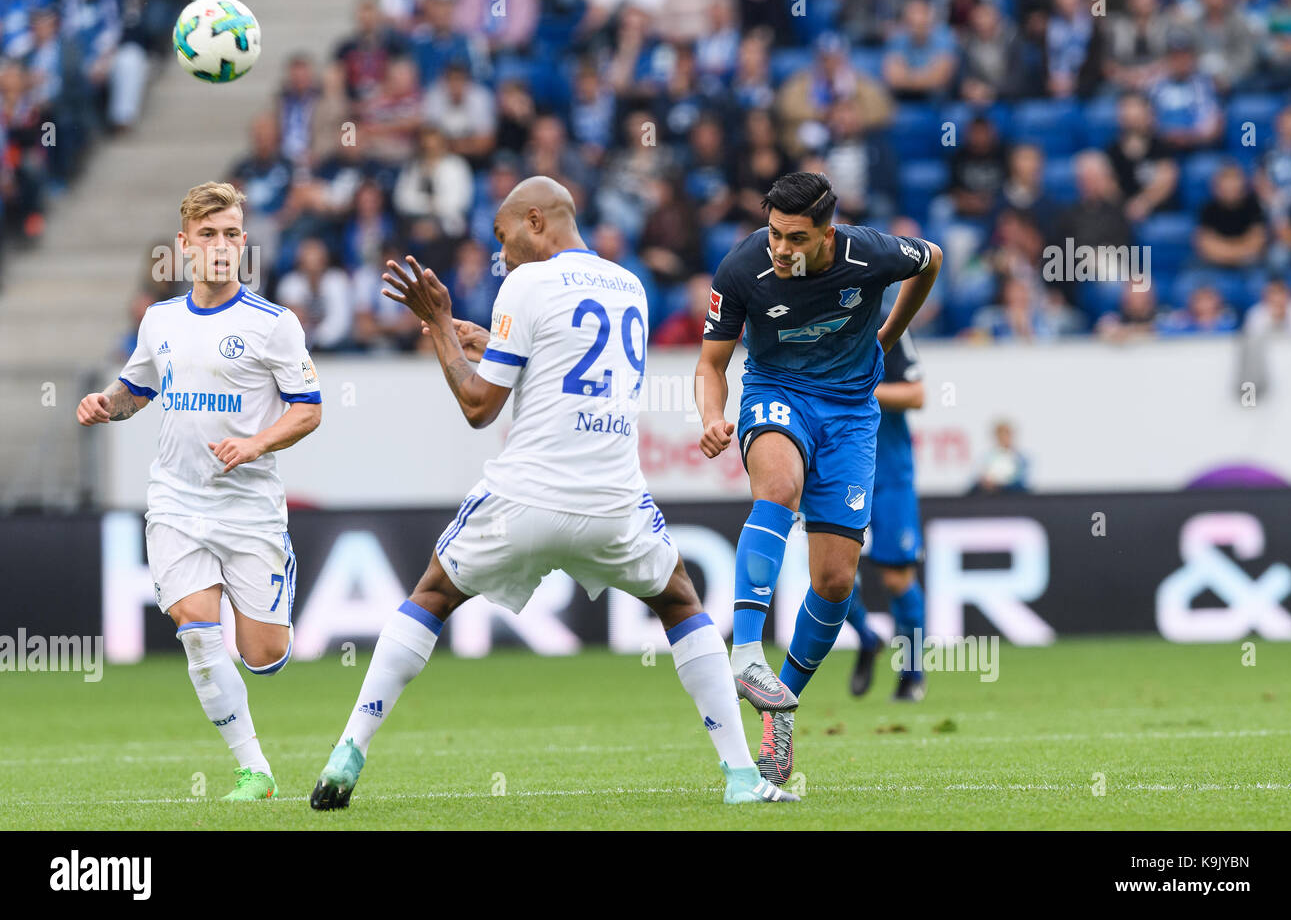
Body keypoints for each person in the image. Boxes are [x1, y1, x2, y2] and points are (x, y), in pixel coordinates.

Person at [310, 176, 797, 809]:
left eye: (504, 236)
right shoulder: (630, 287)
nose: (501, 253)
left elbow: (481, 407)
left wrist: (438, 327)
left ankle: (348, 753)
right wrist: (489, 342)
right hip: (614, 502)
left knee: (432, 594)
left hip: (526, 498)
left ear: (536, 221)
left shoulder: (526, 283)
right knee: (680, 601)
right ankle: (740, 777)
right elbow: (571, 365)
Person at [76, 182, 323, 801]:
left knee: (263, 653)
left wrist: (257, 444)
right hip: (177, 501)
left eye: (231, 234)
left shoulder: (274, 325)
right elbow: (136, 390)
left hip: (248, 506)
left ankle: (270, 603)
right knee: (196, 629)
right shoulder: (159, 322)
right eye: (207, 235)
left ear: (244, 243)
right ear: (184, 246)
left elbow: (309, 410)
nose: (220, 246)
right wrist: (105, 404)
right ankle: (254, 770)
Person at [694, 172, 941, 785]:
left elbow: (931, 259)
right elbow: (710, 362)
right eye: (775, 233)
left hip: (853, 414)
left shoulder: (871, 254)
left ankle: (782, 706)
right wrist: (711, 415)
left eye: (796, 239)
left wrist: (891, 333)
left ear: (828, 234)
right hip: (777, 394)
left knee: (835, 580)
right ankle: (747, 652)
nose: (781, 249)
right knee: (777, 488)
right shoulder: (742, 267)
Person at [841, 332, 929, 702]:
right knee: (832, 576)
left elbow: (916, 394)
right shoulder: (810, 313)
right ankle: (867, 637)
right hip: (837, 471)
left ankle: (912, 674)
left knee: (896, 578)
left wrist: (858, 392)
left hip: (888, 473)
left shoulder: (887, 324)